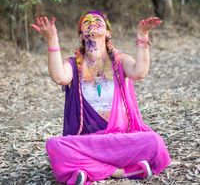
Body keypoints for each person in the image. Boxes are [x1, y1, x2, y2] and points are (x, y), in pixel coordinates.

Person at [31, 10, 171, 185]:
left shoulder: (120, 61)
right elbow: (60, 77)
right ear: (81, 34)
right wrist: (52, 38)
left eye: (98, 20)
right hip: (88, 142)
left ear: (108, 32)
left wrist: (143, 35)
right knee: (54, 145)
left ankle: (87, 169)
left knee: (154, 142)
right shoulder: (73, 65)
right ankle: (120, 171)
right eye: (86, 21)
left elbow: (139, 72)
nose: (92, 22)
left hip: (120, 140)